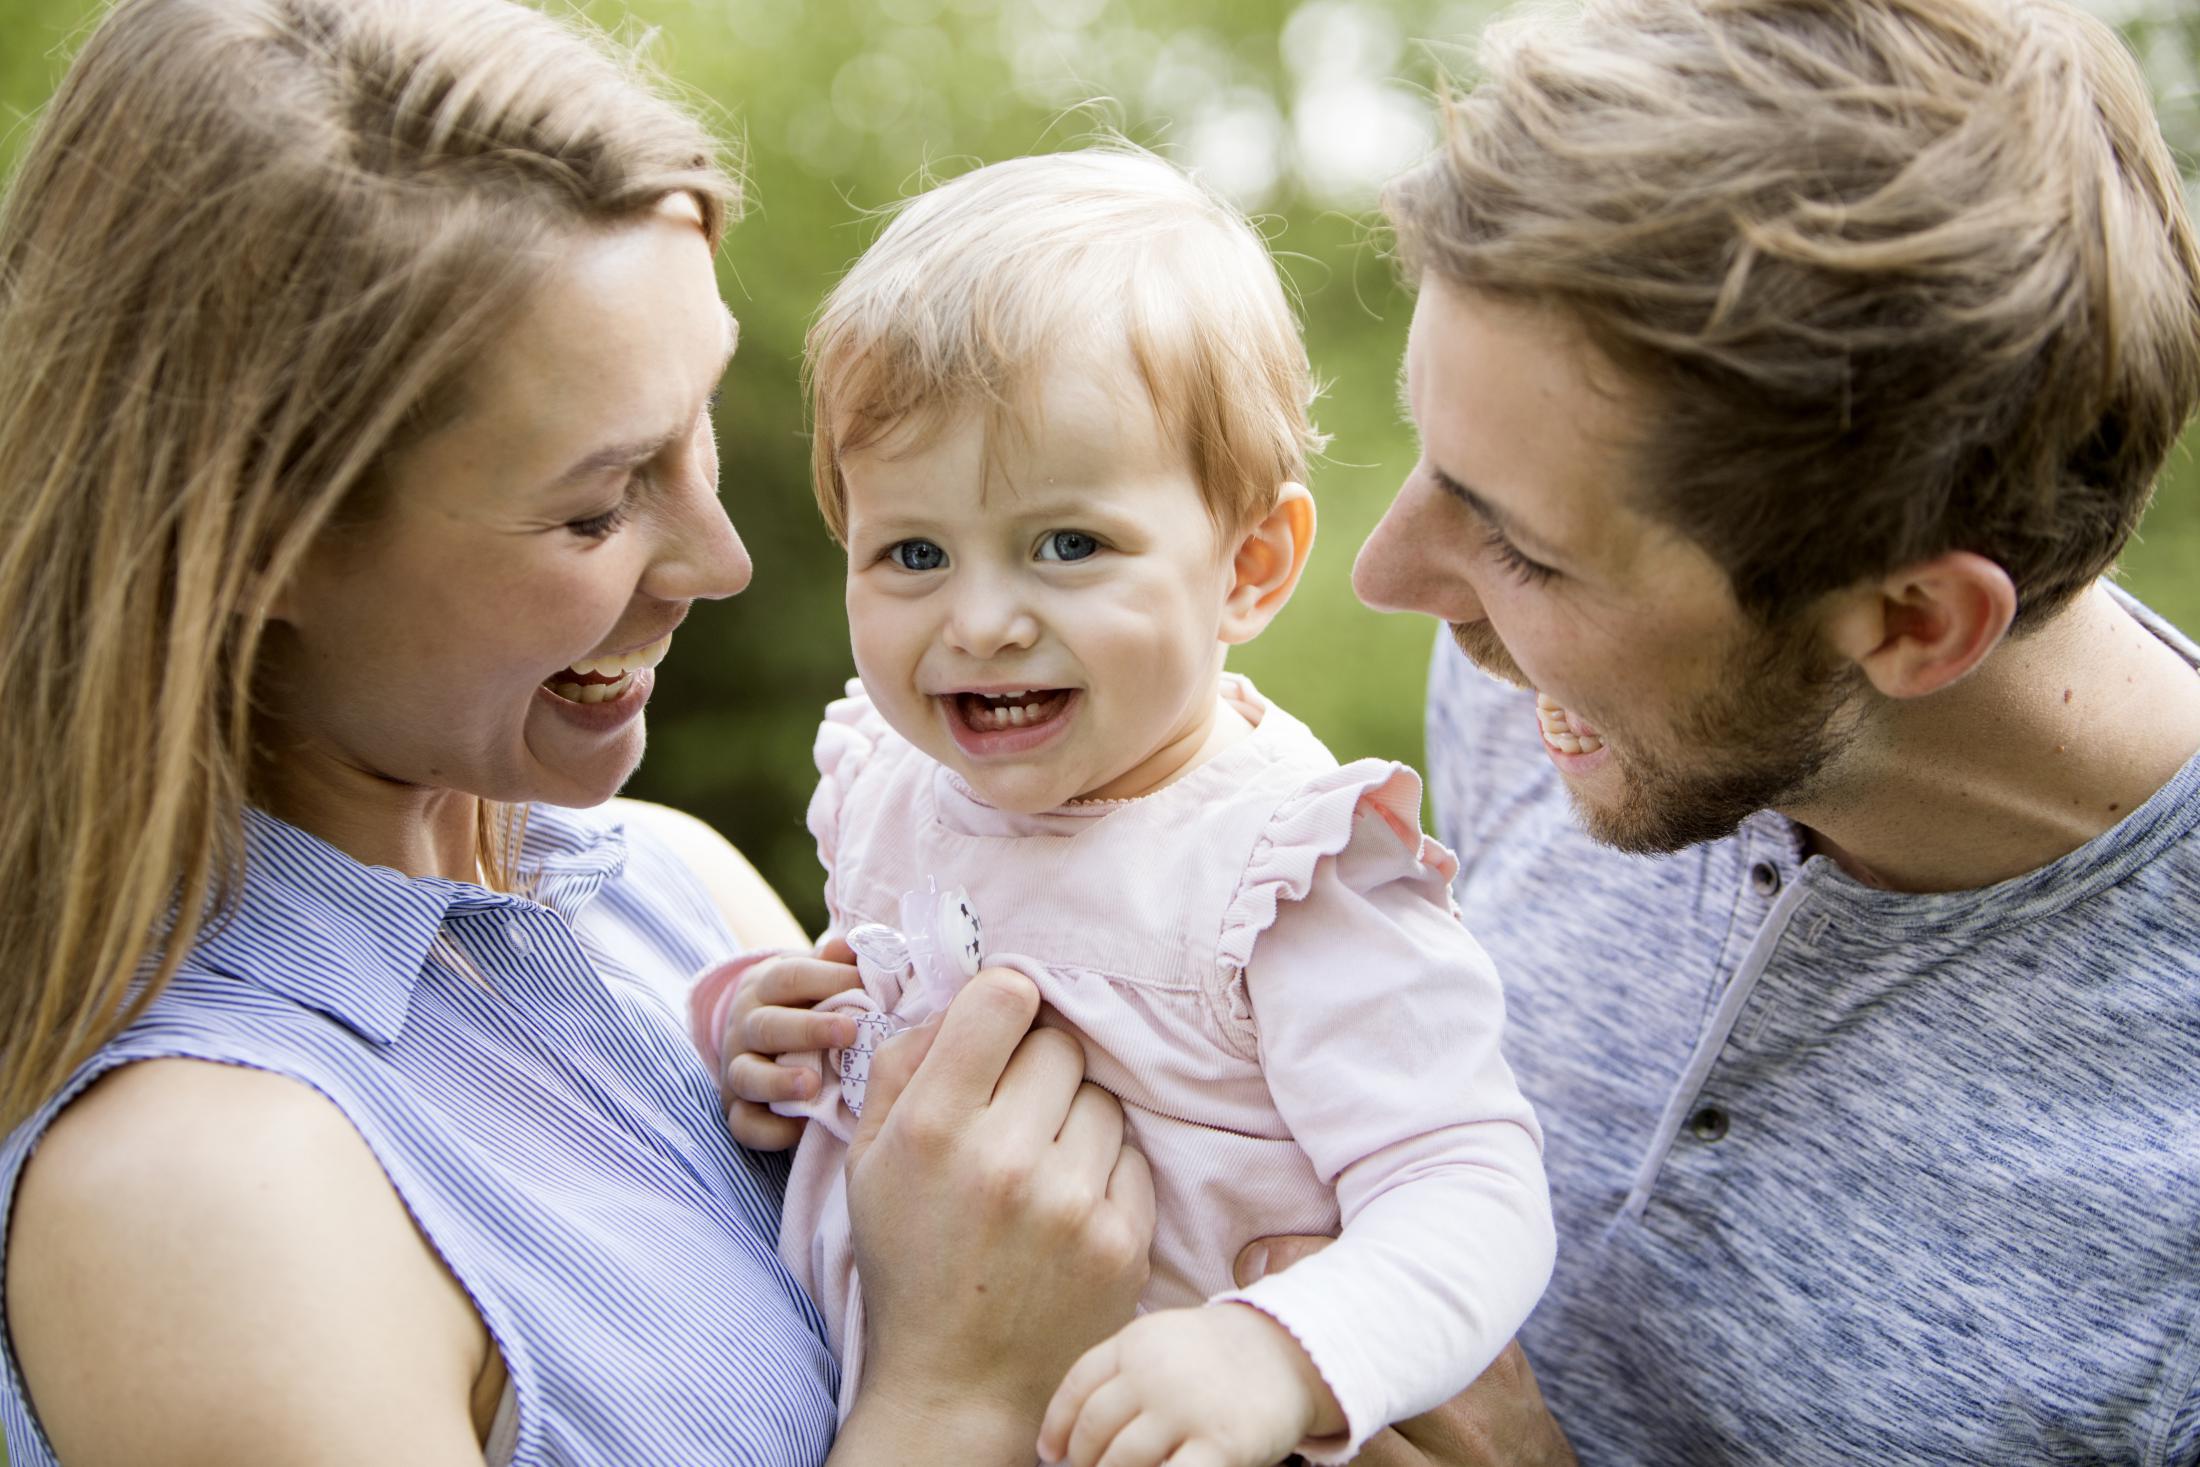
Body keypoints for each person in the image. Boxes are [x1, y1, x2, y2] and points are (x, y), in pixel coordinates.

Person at [0, 2, 1159, 1462]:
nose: (719, 560)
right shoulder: (198, 1195)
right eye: (600, 504)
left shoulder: (671, 898)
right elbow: (963, 1359)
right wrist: (956, 1401)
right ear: (254, 541)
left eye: (702, 425)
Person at [1350, 0, 2200, 1462]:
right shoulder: (1554, 701)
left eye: (1526, 552)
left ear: (1916, 622)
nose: (1391, 579)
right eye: (1436, 462)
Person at [695, 148, 1554, 1467]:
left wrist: (1283, 1352)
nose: (980, 622)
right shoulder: (892, 787)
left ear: (1249, 567)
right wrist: (777, 1027)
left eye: (1069, 544)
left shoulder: (1287, 871)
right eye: (912, 553)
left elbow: (1471, 1193)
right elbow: (885, 1024)